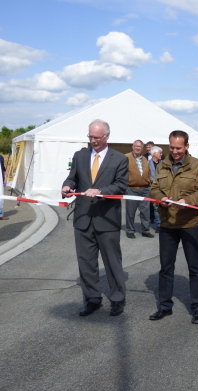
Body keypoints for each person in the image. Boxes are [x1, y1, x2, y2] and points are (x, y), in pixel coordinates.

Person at [61, 119, 129, 316]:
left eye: (96, 137)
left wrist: (101, 191)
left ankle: (117, 298)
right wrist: (67, 186)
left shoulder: (119, 159)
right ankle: (92, 299)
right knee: (86, 262)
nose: (92, 141)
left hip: (107, 219)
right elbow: (72, 177)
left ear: (107, 136)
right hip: (83, 218)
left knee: (112, 262)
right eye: (90, 137)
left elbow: (121, 185)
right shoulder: (80, 155)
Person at [148, 130, 198, 323]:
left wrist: (187, 200)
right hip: (168, 222)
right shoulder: (162, 165)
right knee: (166, 267)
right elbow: (154, 188)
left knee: (195, 267)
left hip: (190, 222)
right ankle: (165, 306)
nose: (174, 151)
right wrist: (160, 198)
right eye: (172, 147)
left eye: (178, 148)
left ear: (187, 146)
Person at [125, 140, 154, 239]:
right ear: (133, 147)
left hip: (145, 189)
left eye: (140, 146)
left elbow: (149, 172)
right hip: (132, 189)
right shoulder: (126, 157)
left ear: (142, 148)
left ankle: (145, 230)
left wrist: (149, 183)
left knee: (145, 212)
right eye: (136, 146)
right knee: (130, 212)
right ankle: (130, 230)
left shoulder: (145, 159)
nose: (138, 148)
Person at [148, 145, 163, 233]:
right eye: (160, 153)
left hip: (163, 188)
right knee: (156, 208)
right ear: (154, 154)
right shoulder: (147, 163)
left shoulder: (163, 163)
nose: (161, 154)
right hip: (153, 188)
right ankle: (159, 225)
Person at [0, 154, 7, 220]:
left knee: (1, 198)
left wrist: (5, 178)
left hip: (1, 181)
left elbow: (3, 169)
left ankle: (0, 214)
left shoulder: (1, 157)